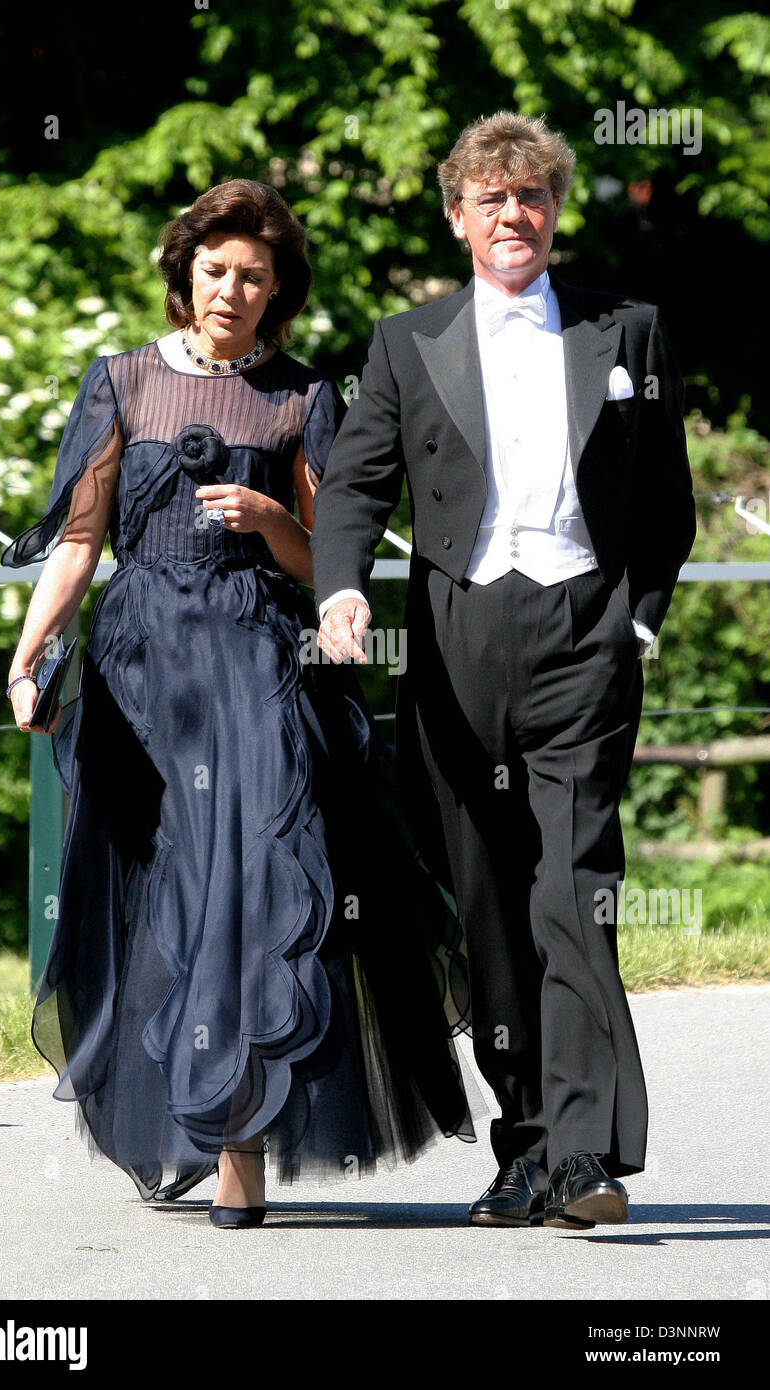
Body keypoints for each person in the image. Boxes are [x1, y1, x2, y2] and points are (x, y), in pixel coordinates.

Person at [4, 178, 475, 1229]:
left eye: (253, 274)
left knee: (255, 873)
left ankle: (238, 1139)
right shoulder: (121, 381)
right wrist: (31, 650)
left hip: (259, 660)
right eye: (214, 268)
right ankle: (190, 1106)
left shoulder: (303, 397)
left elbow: (324, 560)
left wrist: (270, 518)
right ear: (186, 275)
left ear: (278, 289)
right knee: (165, 887)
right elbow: (81, 541)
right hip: (142, 666)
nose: (230, 287)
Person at [311, 113, 696, 1229]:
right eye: (490, 199)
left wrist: (641, 619)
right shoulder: (406, 341)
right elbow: (352, 487)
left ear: (554, 212)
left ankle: (585, 1155)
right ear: (457, 217)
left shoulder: (628, 333)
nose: (512, 216)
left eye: (530, 197)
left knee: (572, 888)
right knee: (485, 905)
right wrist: (342, 587)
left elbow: (666, 502)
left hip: (584, 628)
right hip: (455, 640)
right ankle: (522, 1142)